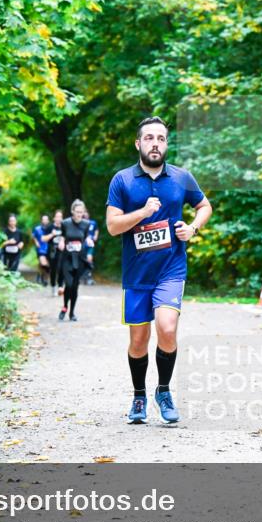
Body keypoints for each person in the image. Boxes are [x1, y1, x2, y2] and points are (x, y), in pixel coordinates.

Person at [106, 116, 213, 424]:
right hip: (137, 275)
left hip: (171, 269)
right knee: (138, 341)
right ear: (138, 143)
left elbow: (204, 206)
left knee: (167, 329)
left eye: (161, 138)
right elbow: (113, 226)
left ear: (167, 144)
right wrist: (143, 212)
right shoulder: (123, 180)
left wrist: (192, 228)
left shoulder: (181, 178)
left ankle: (163, 391)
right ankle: (139, 396)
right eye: (149, 138)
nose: (156, 143)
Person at [57, 200, 94, 322]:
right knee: (68, 284)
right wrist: (62, 242)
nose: (79, 214)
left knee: (75, 286)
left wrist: (89, 240)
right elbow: (63, 236)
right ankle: (65, 307)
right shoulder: (65, 223)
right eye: (77, 212)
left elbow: (86, 235)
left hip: (80, 258)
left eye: (81, 212)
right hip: (67, 258)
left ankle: (71, 312)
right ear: (72, 211)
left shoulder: (86, 224)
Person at [41, 210, 64, 294]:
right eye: (57, 216)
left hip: (62, 251)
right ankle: (53, 286)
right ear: (54, 218)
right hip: (52, 251)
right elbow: (43, 239)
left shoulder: (64, 226)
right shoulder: (49, 227)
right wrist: (52, 234)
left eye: (60, 217)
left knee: (62, 268)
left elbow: (67, 236)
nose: (58, 218)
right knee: (53, 269)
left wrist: (63, 241)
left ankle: (61, 286)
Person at [32, 214, 52, 285]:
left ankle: (43, 277)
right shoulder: (37, 229)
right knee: (43, 263)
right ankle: (42, 277)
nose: (45, 221)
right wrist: (36, 242)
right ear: (41, 220)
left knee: (47, 265)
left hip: (49, 249)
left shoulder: (50, 229)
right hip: (40, 249)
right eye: (44, 219)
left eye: (46, 219)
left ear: (48, 221)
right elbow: (33, 236)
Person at [83, 209, 99, 285]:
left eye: (86, 213)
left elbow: (96, 230)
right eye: (84, 213)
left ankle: (89, 276)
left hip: (90, 244)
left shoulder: (93, 222)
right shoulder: (81, 223)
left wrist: (95, 236)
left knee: (89, 258)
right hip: (82, 244)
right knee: (82, 260)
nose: (85, 214)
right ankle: (83, 277)